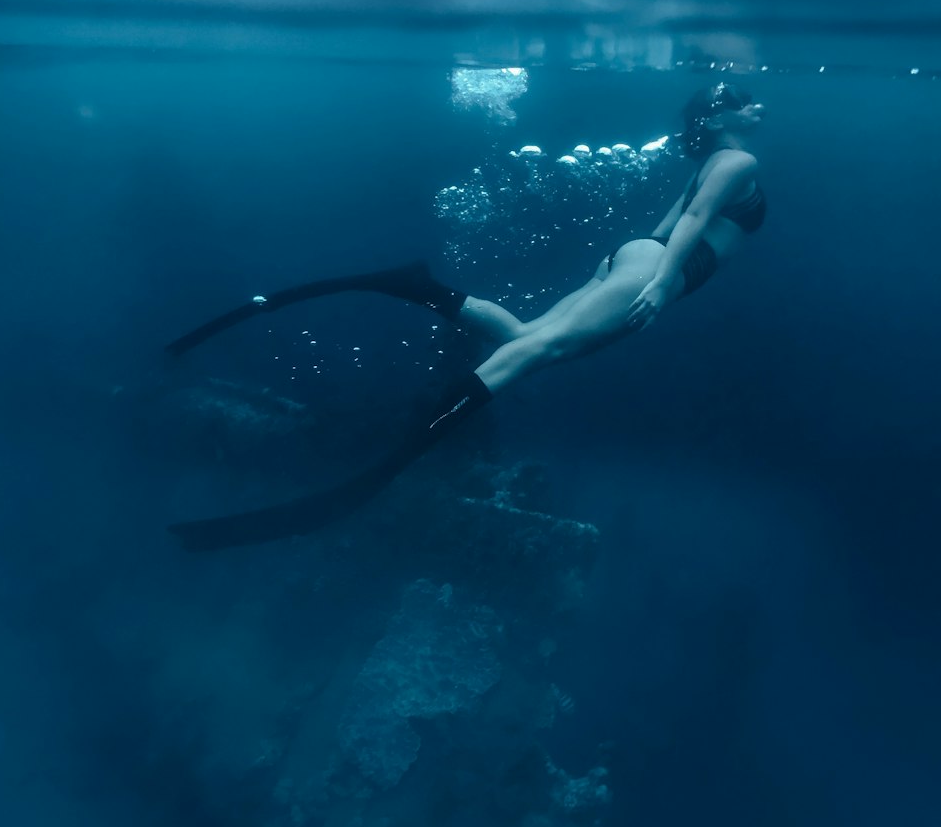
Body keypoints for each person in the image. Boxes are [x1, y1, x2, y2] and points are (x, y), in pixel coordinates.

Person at [167, 83, 766, 551]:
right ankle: (417, 442)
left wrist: (639, 270)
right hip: (658, 269)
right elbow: (687, 229)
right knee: (539, 353)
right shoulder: (737, 161)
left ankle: (416, 288)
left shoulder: (709, 163)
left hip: (637, 260)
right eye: (741, 102)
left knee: (525, 336)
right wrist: (663, 285)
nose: (754, 105)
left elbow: (664, 230)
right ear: (714, 120)